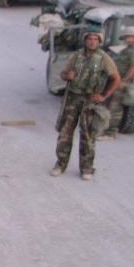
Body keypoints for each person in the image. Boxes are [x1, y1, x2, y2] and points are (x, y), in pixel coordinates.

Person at [50, 30, 120, 180]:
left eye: (95, 39)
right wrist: (67, 76)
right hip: (73, 99)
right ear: (85, 40)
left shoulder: (104, 59)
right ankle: (60, 164)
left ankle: (87, 168)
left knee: (88, 136)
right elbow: (63, 73)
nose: (92, 42)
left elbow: (115, 79)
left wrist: (103, 96)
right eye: (89, 39)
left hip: (90, 101)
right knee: (65, 133)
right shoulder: (76, 56)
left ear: (99, 42)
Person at [106, 25, 134, 136]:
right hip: (117, 80)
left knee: (115, 108)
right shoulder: (127, 50)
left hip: (122, 82)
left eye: (132, 37)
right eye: (127, 37)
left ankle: (111, 133)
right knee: (111, 105)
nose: (129, 39)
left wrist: (124, 81)